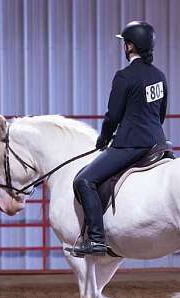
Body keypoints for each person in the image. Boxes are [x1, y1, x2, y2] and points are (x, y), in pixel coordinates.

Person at [70, 21, 168, 257]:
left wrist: (103, 138)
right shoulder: (159, 76)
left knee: (83, 181)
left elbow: (113, 115)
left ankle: (95, 239)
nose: (124, 47)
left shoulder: (124, 76)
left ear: (131, 46)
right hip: (157, 142)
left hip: (131, 144)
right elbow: (161, 113)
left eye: (125, 43)